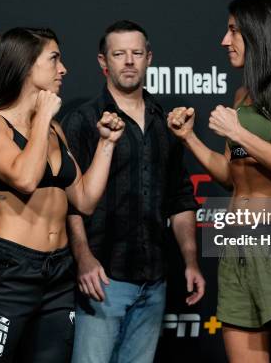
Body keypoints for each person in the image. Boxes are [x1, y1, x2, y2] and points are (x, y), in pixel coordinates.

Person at [167, 0, 271, 363]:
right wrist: (190, 138)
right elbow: (232, 175)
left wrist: (241, 134)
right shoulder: (243, 96)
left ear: (260, 33)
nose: (224, 41)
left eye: (233, 31)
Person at [0, 27, 125, 363]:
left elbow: (84, 199)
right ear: (26, 67)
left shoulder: (54, 128)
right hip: (12, 269)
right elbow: (24, 178)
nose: (63, 68)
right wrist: (40, 119)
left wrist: (106, 144)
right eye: (54, 59)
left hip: (59, 271)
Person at [62, 20, 206, 363]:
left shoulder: (167, 121)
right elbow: (66, 198)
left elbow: (180, 197)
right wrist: (82, 258)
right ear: (103, 62)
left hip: (154, 280)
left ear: (149, 58)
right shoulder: (82, 121)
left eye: (137, 53)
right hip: (102, 279)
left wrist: (190, 260)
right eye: (119, 54)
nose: (129, 61)